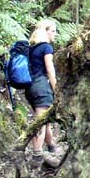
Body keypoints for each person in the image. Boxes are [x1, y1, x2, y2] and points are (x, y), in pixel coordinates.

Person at [25, 18, 61, 162]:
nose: (55, 34)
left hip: (30, 88)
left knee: (44, 120)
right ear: (45, 31)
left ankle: (52, 146)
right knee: (40, 122)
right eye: (53, 31)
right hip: (41, 87)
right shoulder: (46, 48)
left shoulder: (31, 48)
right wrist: (56, 89)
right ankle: (37, 155)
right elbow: (50, 71)